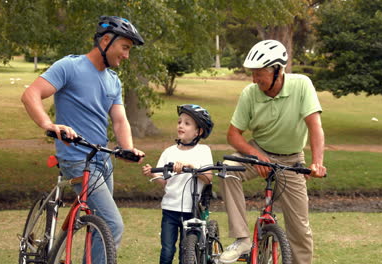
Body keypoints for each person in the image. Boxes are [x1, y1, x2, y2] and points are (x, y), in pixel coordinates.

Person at [21, 15, 146, 260]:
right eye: (125, 48)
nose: (126, 55)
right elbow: (31, 95)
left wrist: (128, 148)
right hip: (76, 158)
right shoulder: (70, 66)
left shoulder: (113, 80)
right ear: (107, 40)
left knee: (96, 225)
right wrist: (49, 124)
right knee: (112, 225)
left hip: (102, 161)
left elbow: (120, 120)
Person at [219, 40, 327, 264]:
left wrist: (317, 162)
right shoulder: (250, 93)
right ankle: (242, 239)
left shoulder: (302, 85)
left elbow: (315, 127)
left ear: (278, 70)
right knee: (228, 169)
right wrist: (255, 155)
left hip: (292, 159)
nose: (254, 79)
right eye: (253, 73)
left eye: (259, 74)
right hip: (259, 151)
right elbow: (233, 135)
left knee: (300, 229)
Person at [142, 104, 214, 264]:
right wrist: (153, 173)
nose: (181, 125)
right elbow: (164, 181)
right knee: (167, 250)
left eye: (187, 123)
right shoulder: (169, 152)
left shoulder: (203, 151)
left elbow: (209, 178)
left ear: (198, 131)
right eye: (180, 122)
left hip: (191, 210)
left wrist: (192, 167)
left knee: (186, 250)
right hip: (170, 209)